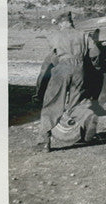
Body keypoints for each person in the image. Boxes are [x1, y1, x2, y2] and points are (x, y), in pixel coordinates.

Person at [34, 12, 101, 151]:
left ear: (61, 23)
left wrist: (59, 65)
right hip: (80, 70)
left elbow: (52, 57)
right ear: (71, 22)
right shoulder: (83, 34)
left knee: (52, 103)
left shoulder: (55, 35)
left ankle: (43, 142)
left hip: (63, 68)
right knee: (77, 103)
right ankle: (87, 115)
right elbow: (96, 53)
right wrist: (95, 66)